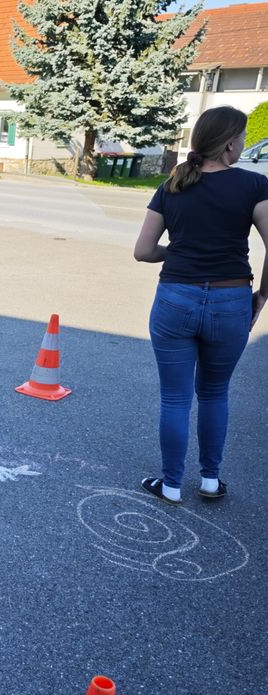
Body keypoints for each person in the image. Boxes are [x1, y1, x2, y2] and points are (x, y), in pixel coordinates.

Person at [134, 106, 268, 504]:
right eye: (242, 138)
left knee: (175, 398)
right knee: (214, 393)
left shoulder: (172, 185)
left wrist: (176, 253)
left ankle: (171, 484)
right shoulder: (253, 185)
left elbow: (142, 252)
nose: (243, 144)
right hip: (231, 299)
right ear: (229, 144)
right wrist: (261, 297)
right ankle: (210, 479)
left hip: (176, 297)